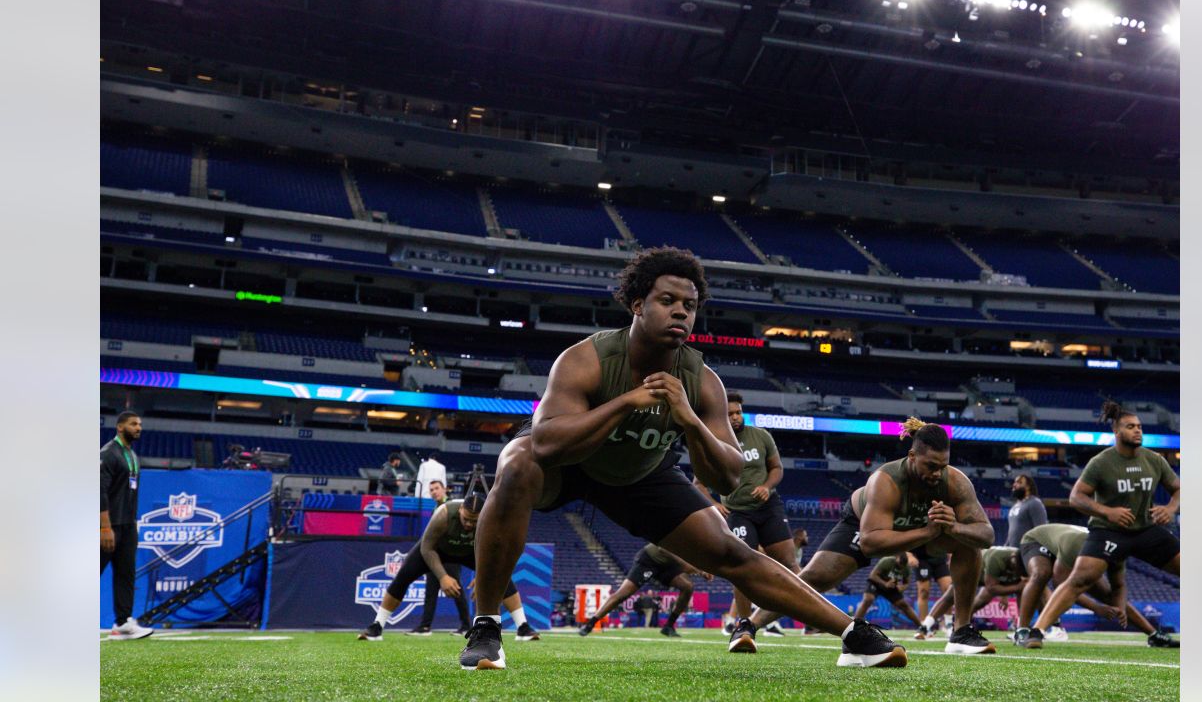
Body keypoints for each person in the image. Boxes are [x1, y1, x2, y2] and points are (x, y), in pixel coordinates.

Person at [461, 247, 904, 671]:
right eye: (667, 300)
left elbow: (732, 478)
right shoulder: (586, 359)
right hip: (570, 461)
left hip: (639, 473)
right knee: (516, 462)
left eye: (689, 306)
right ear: (637, 304)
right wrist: (626, 403)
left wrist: (690, 421)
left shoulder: (701, 381)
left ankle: (852, 635)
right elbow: (546, 444)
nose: (680, 312)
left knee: (732, 551)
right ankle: (487, 627)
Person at [743, 418, 994, 656]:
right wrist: (926, 532)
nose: (937, 473)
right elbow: (870, 543)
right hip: (865, 525)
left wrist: (955, 528)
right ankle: (749, 625)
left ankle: (961, 632)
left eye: (943, 466)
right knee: (816, 578)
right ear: (912, 456)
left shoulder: (956, 482)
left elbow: (986, 535)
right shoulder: (886, 481)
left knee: (969, 544)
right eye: (931, 466)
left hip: (923, 529)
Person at [1023, 402, 1180, 648]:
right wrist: (1108, 511)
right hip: (1109, 530)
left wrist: (1170, 509)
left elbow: (1178, 489)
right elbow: (1076, 497)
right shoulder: (1101, 462)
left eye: (1139, 427)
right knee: (1079, 580)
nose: (1137, 431)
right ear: (1117, 432)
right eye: (1131, 427)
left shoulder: (1154, 460)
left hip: (1146, 530)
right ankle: (1036, 632)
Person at [357, 492, 539, 643]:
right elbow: (426, 548)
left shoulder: (491, 520)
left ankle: (523, 627)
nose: (469, 524)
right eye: (466, 519)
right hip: (437, 550)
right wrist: (443, 576)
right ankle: (377, 626)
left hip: (471, 552)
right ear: (460, 510)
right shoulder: (443, 513)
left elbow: (498, 553)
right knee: (403, 577)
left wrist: (484, 575)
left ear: (483, 515)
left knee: (502, 577)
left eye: (474, 522)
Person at [693, 392, 798, 637]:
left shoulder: (761, 435)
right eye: (730, 413)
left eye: (738, 412)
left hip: (769, 506)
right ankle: (743, 625)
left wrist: (767, 486)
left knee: (791, 565)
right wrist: (713, 504)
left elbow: (777, 468)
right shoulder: (714, 440)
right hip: (738, 512)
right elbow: (698, 483)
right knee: (742, 567)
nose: (736, 417)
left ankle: (791, 618)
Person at [1014, 523, 1177, 648]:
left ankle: (1154, 635)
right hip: (1036, 540)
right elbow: (1061, 584)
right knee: (1041, 573)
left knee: (1107, 594)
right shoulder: (1075, 545)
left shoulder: (1116, 553)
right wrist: (1096, 608)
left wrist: (1119, 607)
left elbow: (1118, 587)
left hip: (1076, 549)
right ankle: (1022, 630)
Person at [578, 543, 713, 638]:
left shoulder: (697, 535)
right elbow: (663, 548)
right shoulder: (682, 527)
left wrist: (703, 570)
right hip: (651, 558)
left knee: (687, 586)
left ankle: (669, 626)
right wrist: (687, 566)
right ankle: (591, 623)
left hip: (668, 564)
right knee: (623, 594)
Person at [100, 411, 154, 640]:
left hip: (127, 525)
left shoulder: (131, 455)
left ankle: (122, 622)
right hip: (107, 525)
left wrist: (132, 524)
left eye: (140, 424)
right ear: (120, 427)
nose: (138, 427)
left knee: (126, 574)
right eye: (133, 424)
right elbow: (98, 490)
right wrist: (104, 527)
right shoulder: (108, 453)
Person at [916, 546, 1026, 637]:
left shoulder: (1021, 561)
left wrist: (1006, 593)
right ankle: (925, 626)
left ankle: (1021, 629)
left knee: (980, 603)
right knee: (950, 596)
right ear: (1012, 559)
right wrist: (1017, 587)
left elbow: (1012, 581)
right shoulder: (996, 558)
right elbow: (991, 587)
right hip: (971, 569)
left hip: (990, 577)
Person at [407, 479, 471, 636]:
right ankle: (425, 626)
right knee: (430, 590)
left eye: (437, 488)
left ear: (445, 490)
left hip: (450, 554)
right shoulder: (436, 508)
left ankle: (467, 626)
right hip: (435, 555)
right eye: (431, 489)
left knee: (457, 589)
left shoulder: (453, 507)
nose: (434, 491)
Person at [852, 553, 923, 629]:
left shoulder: (907, 568)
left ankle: (922, 627)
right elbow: (872, 575)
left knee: (903, 604)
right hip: (877, 583)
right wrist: (885, 583)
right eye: (900, 564)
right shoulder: (886, 561)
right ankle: (854, 624)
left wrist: (901, 588)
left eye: (903, 565)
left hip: (891, 586)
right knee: (868, 599)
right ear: (896, 558)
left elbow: (906, 583)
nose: (901, 566)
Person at [909, 549, 953, 639]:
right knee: (923, 592)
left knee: (948, 589)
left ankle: (949, 625)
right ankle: (924, 626)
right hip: (922, 559)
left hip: (940, 559)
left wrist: (950, 555)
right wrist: (909, 555)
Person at [1006, 474, 1048, 547]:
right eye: (1014, 482)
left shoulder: (1034, 503)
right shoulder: (1014, 507)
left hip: (1028, 551)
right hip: (1013, 550)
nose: (1014, 485)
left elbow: (1041, 530)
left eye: (1019, 482)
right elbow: (1011, 533)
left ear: (1028, 487)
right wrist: (1006, 546)